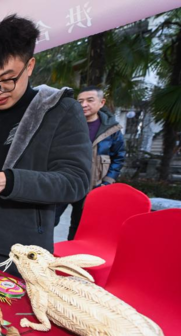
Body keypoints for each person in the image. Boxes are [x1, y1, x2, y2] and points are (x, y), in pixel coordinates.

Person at [0, 15, 92, 277]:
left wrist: (11, 182)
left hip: (22, 250)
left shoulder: (60, 111)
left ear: (30, 65)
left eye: (7, 79)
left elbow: (76, 181)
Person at [55, 86, 126, 240]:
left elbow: (119, 157)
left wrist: (106, 183)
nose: (84, 104)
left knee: (79, 227)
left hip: (92, 187)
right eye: (80, 101)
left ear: (102, 102)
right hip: (65, 183)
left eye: (89, 100)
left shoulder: (112, 130)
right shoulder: (66, 124)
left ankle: (71, 260)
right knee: (48, 220)